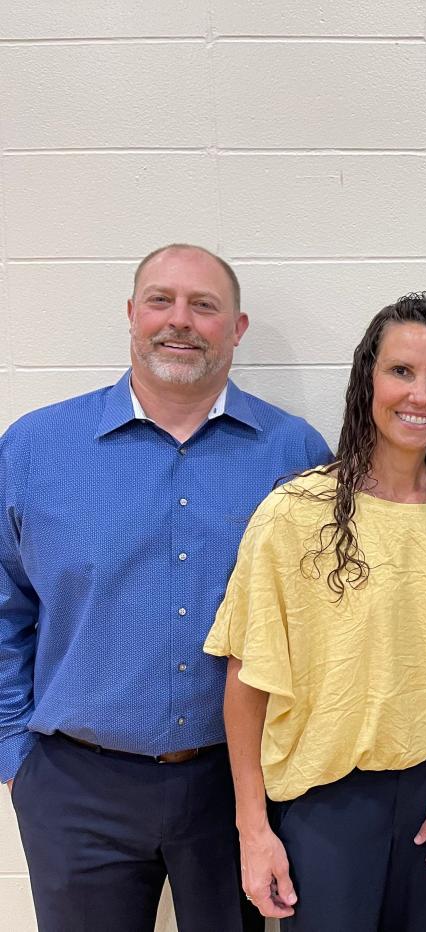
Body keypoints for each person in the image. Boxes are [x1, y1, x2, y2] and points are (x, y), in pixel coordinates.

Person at [0, 243, 330, 931]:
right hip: (75, 789)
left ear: (236, 328)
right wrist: (16, 757)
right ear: (131, 315)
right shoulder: (34, 449)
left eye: (204, 306)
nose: (179, 321)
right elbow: (6, 607)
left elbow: (322, 624)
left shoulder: (295, 454)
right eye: (161, 301)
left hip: (233, 787)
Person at [204, 292, 426, 932]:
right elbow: (246, 684)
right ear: (368, 380)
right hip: (326, 802)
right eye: (401, 371)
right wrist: (254, 831)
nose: (420, 394)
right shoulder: (295, 513)